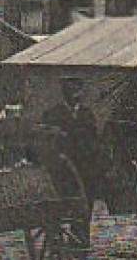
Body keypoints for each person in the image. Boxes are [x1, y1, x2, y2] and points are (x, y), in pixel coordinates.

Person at [41, 79, 112, 213]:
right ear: (65, 93)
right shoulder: (54, 113)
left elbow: (93, 137)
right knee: (67, 195)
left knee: (87, 197)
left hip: (85, 162)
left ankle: (84, 226)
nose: (75, 95)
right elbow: (47, 138)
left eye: (77, 91)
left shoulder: (86, 113)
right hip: (65, 162)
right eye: (71, 91)